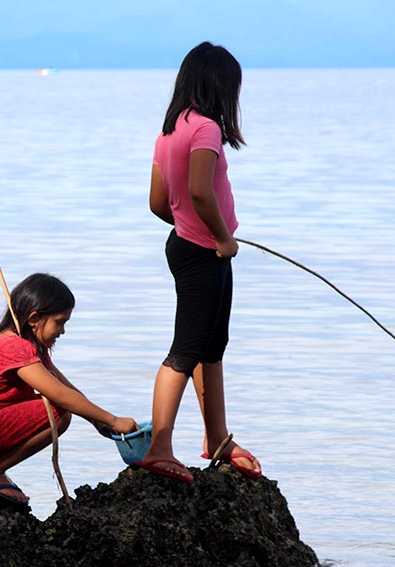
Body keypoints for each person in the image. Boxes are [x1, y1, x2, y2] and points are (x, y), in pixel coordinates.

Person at [140, 41, 262, 484]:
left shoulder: (169, 131)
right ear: (219, 87)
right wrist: (221, 237)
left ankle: (218, 438)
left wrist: (192, 228)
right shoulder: (207, 128)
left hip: (186, 246)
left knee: (212, 346)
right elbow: (198, 191)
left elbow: (158, 202)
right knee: (186, 349)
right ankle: (160, 448)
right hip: (205, 251)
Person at [0, 273, 139, 505]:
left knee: (61, 407)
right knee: (58, 414)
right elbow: (59, 395)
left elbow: (66, 387)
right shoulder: (14, 347)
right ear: (34, 318)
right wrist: (113, 420)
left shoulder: (29, 348)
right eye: (59, 322)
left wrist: (98, 421)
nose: (62, 331)